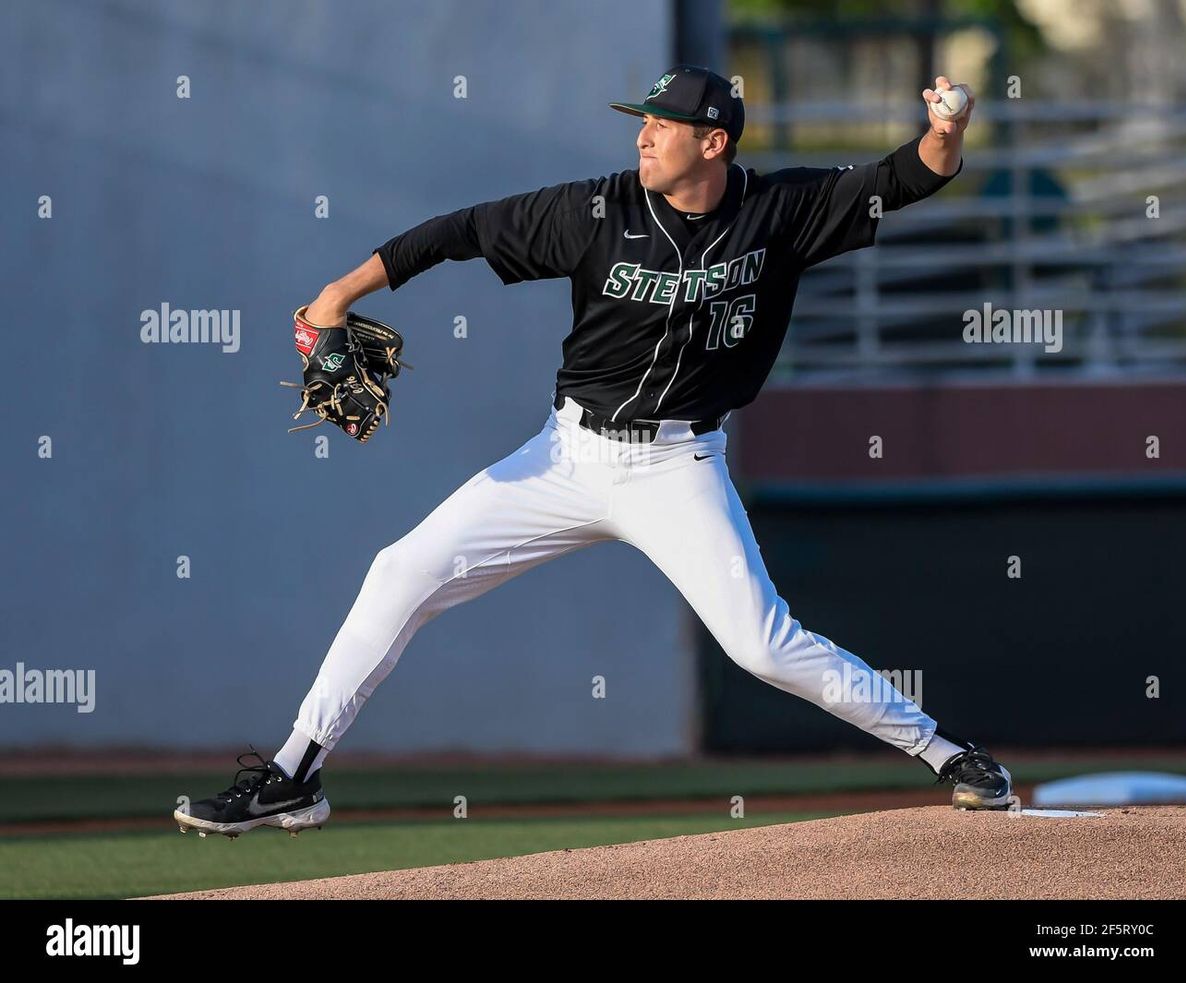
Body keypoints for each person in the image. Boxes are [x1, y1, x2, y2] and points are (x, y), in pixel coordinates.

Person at [174, 66, 1012, 840]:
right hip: (565, 459)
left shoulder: (780, 210)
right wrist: (335, 294)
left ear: (713, 142)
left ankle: (948, 753)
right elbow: (457, 233)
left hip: (679, 467)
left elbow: (911, 176)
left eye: (662, 124)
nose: (643, 136)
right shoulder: (595, 211)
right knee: (399, 572)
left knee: (761, 644)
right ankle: (294, 772)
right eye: (642, 123)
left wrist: (948, 124)